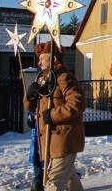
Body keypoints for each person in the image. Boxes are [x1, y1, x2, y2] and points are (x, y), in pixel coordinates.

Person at [24, 41, 85, 191]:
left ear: (54, 59)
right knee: (70, 178)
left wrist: (51, 116)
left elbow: (77, 103)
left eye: (42, 58)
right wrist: (30, 97)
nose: (38, 62)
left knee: (54, 181)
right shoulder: (45, 79)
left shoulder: (64, 78)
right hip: (51, 139)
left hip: (64, 138)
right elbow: (33, 107)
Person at [27, 111, 44, 191]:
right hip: (36, 137)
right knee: (37, 160)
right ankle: (38, 184)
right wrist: (32, 118)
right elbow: (30, 123)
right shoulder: (35, 104)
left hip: (49, 135)